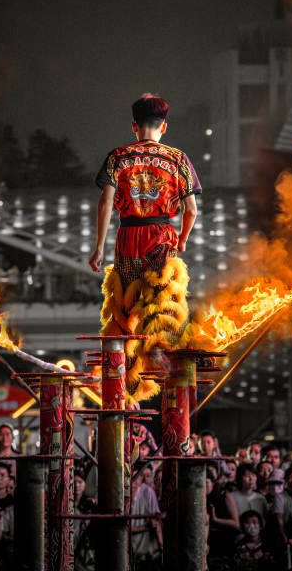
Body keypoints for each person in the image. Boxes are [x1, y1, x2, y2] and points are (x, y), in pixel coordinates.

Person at [89, 93, 201, 402]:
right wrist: (182, 239)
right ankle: (163, 378)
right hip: (161, 237)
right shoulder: (178, 159)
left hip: (128, 237)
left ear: (134, 126)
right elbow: (191, 210)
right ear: (163, 127)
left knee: (125, 312)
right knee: (161, 309)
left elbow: (105, 203)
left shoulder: (118, 157)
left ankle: (121, 381)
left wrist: (98, 247)